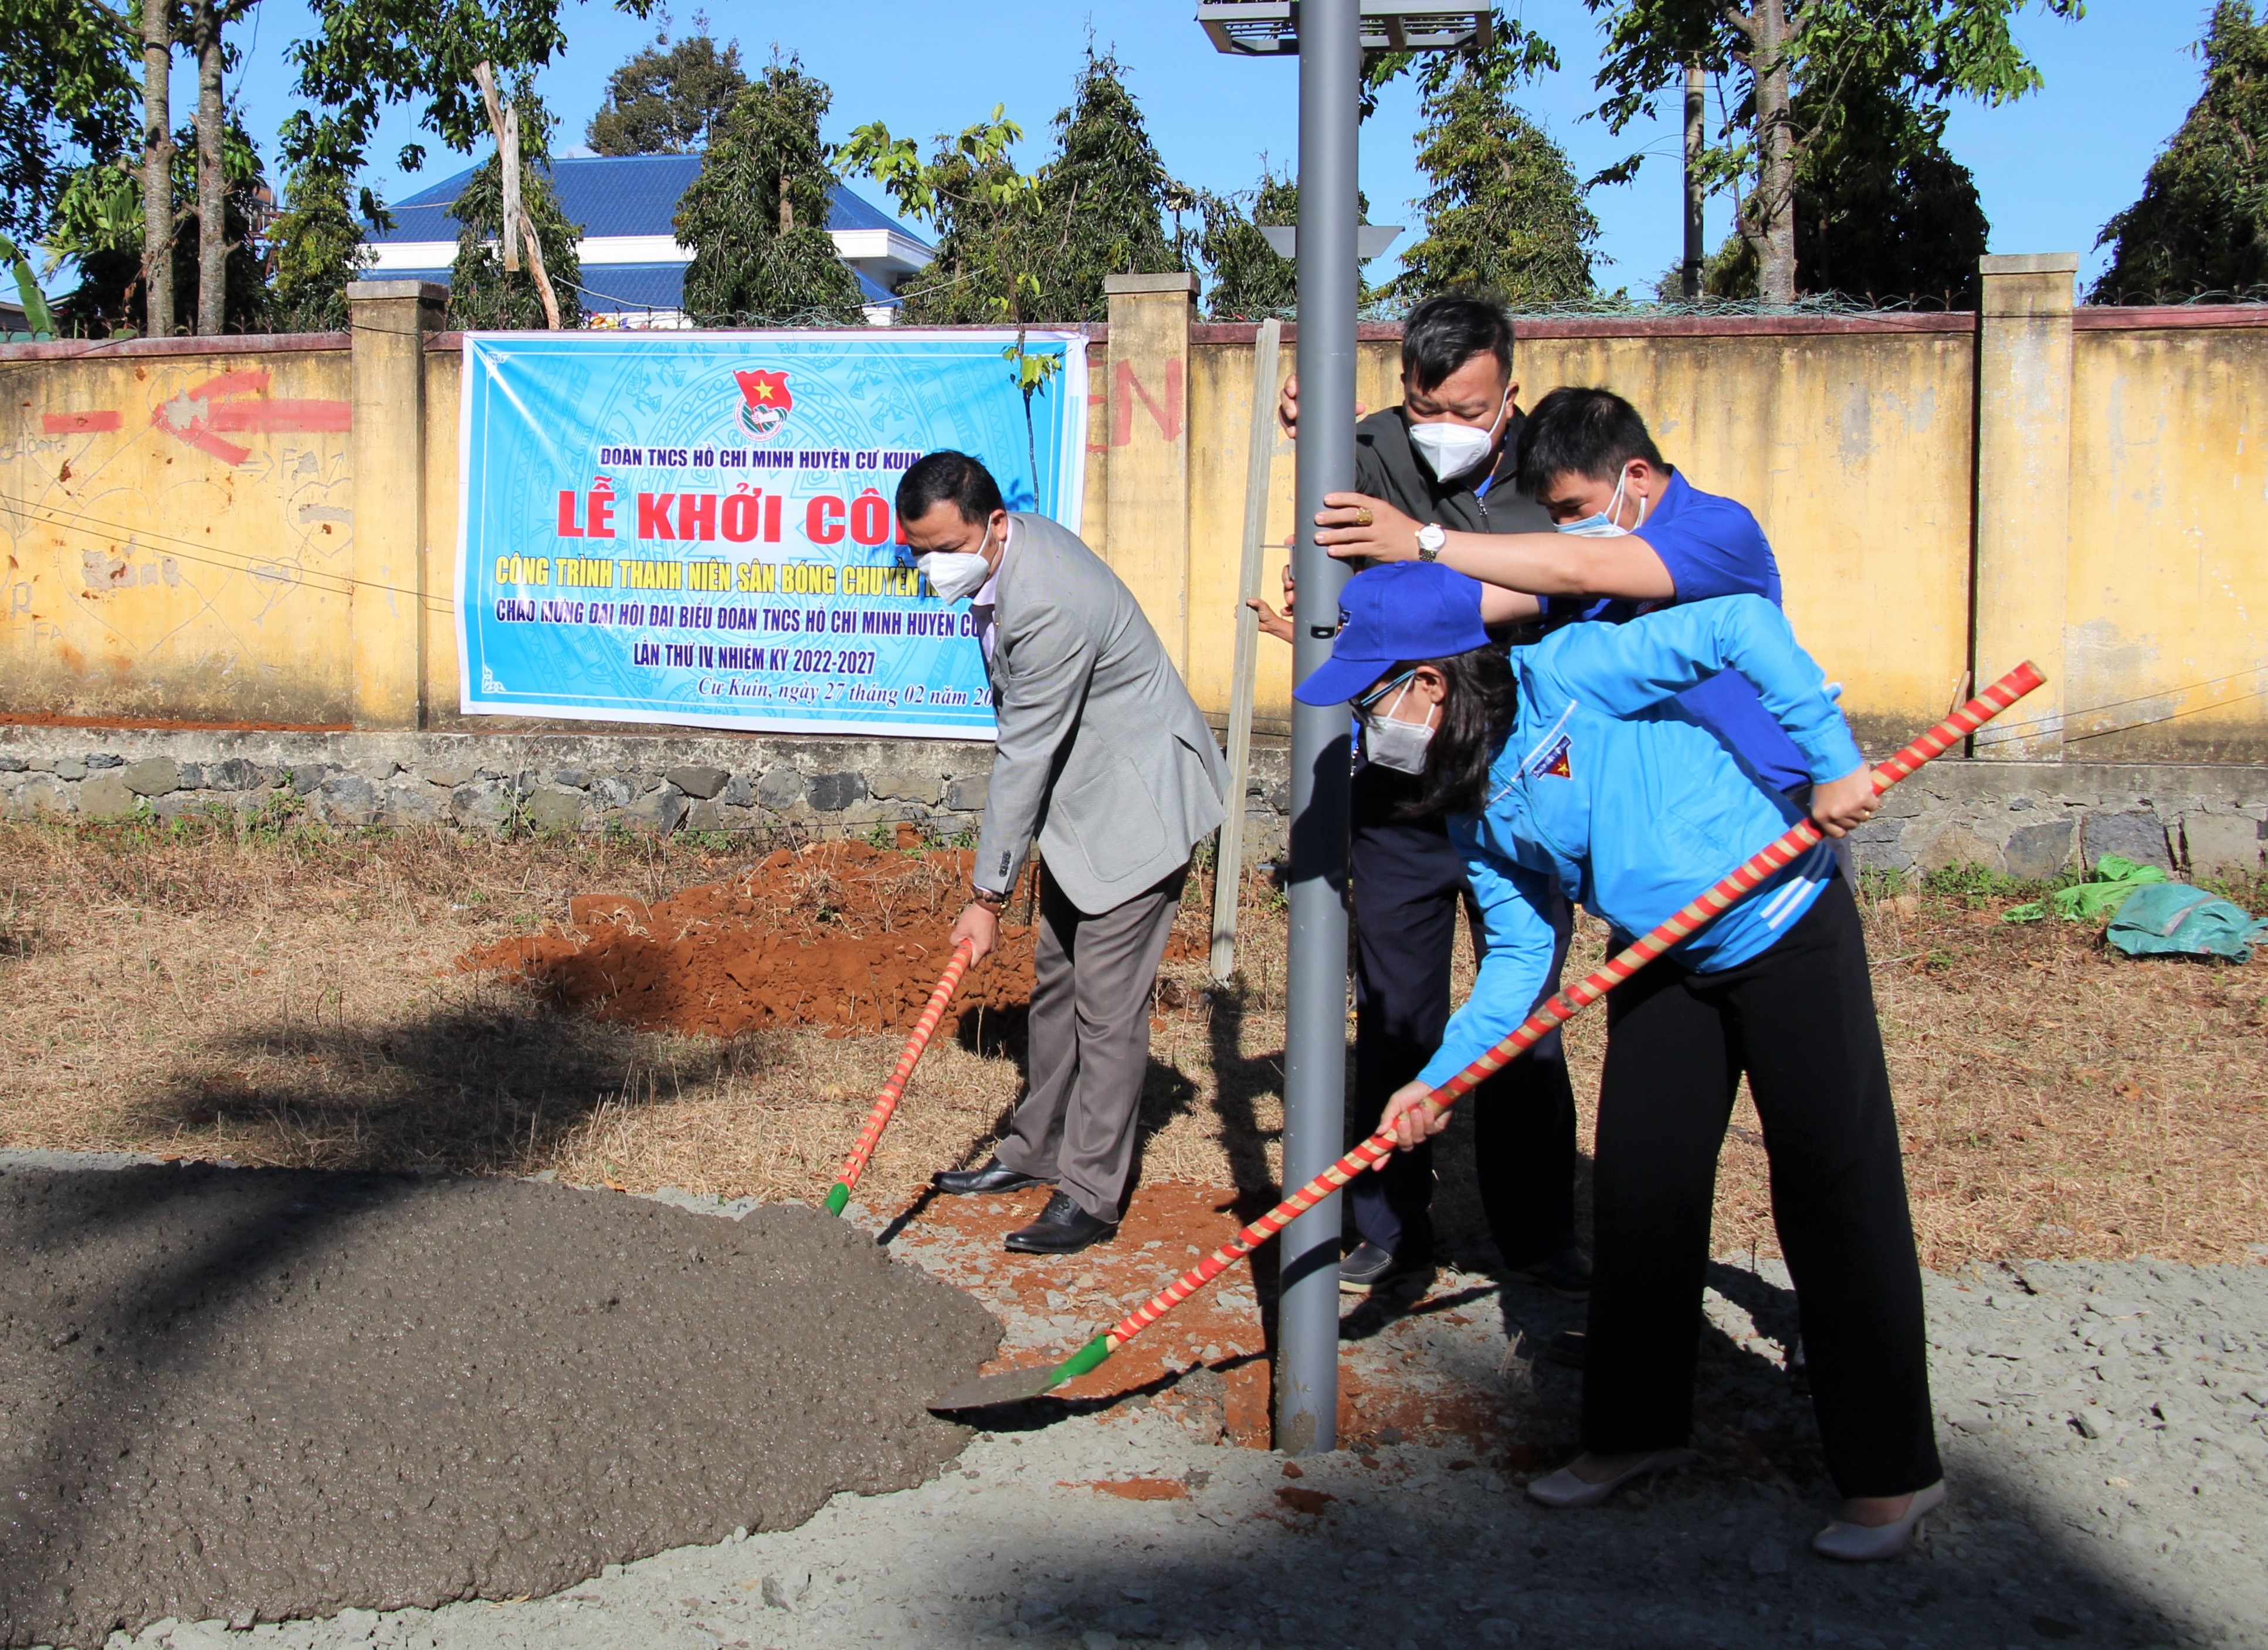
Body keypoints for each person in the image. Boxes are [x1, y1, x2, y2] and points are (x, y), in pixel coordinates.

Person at [1301, 561, 1944, 1562]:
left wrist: (1831, 760)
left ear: (1430, 682)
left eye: (1368, 701)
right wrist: (1438, 1078)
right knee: (1644, 1193)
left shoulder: (1572, 671)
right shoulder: (1468, 800)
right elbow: (1521, 953)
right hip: (1664, 958)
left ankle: (1891, 1470)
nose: (1364, 728)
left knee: (1833, 1187)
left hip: (1784, 924)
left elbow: (1738, 623)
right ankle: (1634, 1429)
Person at [1260, 294, 1588, 1298]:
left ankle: (1536, 1231)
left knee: (1526, 1018)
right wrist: (1309, 435)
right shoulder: (1367, 450)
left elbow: (1582, 579)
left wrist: (1425, 548)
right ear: (1402, 385)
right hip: (1402, 787)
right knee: (1397, 1012)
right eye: (1424, 404)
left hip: (1517, 785)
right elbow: (1318, 563)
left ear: (1510, 393)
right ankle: (1389, 1226)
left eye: (1468, 409)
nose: (1443, 426)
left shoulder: (1554, 471)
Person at [900, 451, 1228, 1256]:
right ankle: (1035, 1149)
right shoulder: (1005, 560)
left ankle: (1090, 1191)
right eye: (918, 552)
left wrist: (987, 898)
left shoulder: (1047, 601)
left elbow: (1025, 752)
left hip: (1137, 806)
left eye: (945, 548)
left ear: (993, 524)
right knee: (1059, 985)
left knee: (1105, 1007)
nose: (932, 567)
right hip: (1086, 808)